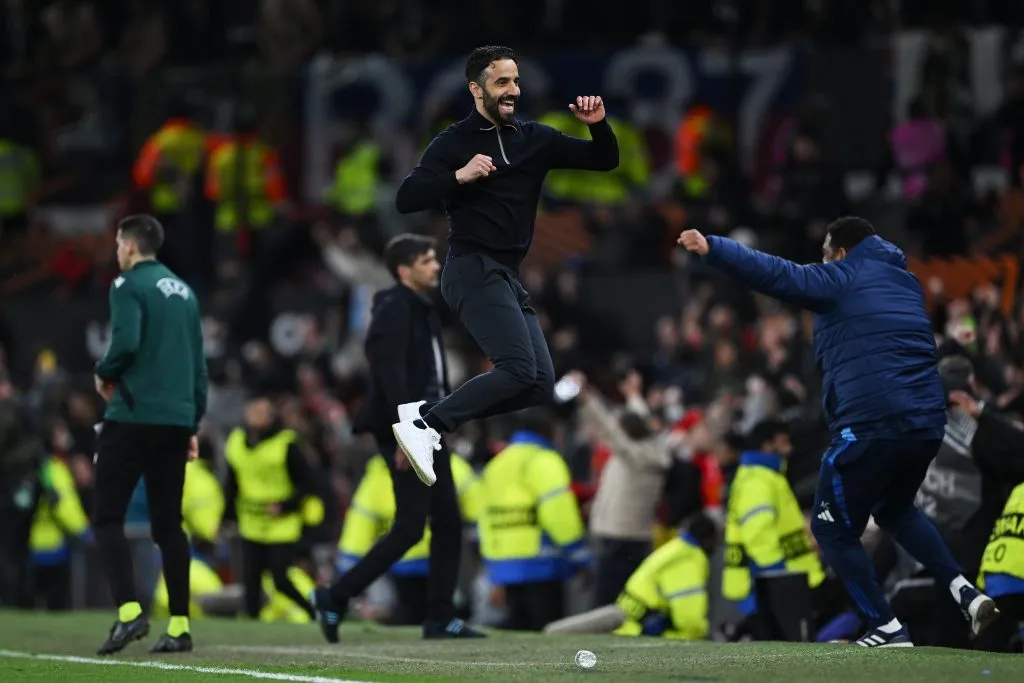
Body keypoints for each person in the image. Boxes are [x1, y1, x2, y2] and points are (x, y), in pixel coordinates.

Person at [678, 217, 999, 647]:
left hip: (871, 422)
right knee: (895, 510)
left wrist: (715, 247)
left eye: (826, 253)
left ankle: (885, 627)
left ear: (841, 253)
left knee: (831, 530)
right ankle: (964, 590)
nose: (823, 262)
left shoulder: (842, 278)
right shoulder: (906, 284)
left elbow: (777, 273)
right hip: (924, 423)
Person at [389, 45, 619, 484]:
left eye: (515, 81)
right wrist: (458, 176)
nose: (513, 90)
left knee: (538, 383)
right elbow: (406, 198)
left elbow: (604, 159)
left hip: (507, 276)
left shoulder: (536, 139)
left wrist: (598, 126)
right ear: (477, 90)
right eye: (502, 83)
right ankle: (428, 427)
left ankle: (428, 417)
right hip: (471, 268)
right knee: (515, 368)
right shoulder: (453, 143)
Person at [312, 234, 484, 642]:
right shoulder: (394, 306)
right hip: (410, 426)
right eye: (426, 260)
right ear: (404, 271)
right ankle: (336, 596)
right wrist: (408, 433)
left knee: (446, 521)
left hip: (426, 424)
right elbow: (388, 374)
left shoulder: (418, 307)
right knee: (411, 526)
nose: (435, 266)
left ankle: (439, 616)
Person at [92, 214, 208, 655]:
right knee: (168, 525)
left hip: (134, 415)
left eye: (119, 244)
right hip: (176, 421)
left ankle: (128, 613)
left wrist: (103, 374)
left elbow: (125, 341)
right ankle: (179, 626)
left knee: (107, 518)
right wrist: (191, 423)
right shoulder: (185, 293)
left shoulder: (128, 286)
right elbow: (198, 365)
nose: (117, 251)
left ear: (129, 245)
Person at [223, 393, 323, 622]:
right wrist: (225, 516)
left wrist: (286, 506)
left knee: (280, 577)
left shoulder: (286, 444)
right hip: (251, 521)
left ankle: (313, 611)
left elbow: (308, 483)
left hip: (282, 524)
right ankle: (252, 625)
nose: (256, 417)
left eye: (262, 412)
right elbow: (231, 483)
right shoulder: (237, 441)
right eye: (253, 411)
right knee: (250, 579)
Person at [543, 513, 718, 640]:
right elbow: (689, 620)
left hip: (625, 624)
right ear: (708, 539)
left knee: (555, 633)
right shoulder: (688, 560)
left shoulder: (672, 549)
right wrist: (704, 633)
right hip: (642, 633)